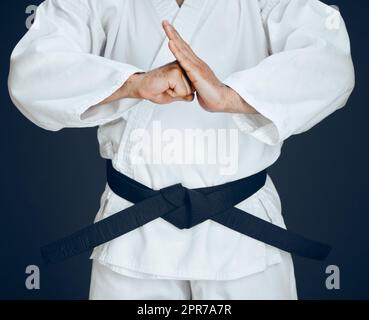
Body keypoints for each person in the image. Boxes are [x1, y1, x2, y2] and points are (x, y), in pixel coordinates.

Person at [8, 0, 355, 300]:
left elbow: (331, 63)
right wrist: (135, 84)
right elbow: (31, 73)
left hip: (244, 239)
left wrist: (229, 96)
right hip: (133, 238)